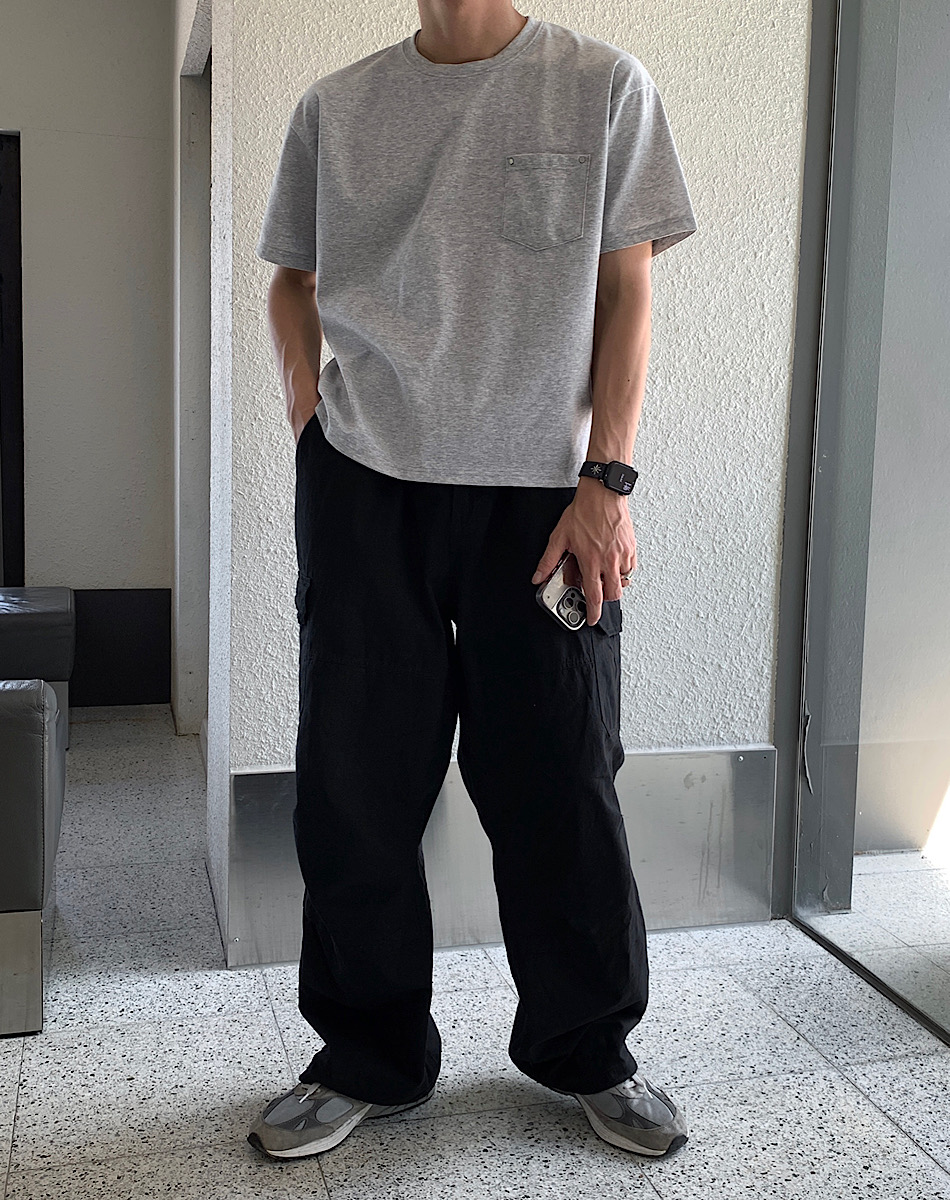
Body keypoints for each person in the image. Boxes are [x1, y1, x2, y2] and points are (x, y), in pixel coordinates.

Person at [247, 0, 697, 1162]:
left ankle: (587, 1050)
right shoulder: (336, 107)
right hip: (364, 488)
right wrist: (309, 422)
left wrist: (608, 478)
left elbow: (627, 290)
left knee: (560, 776)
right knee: (353, 781)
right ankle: (366, 1054)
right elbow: (290, 280)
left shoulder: (599, 85)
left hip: (544, 497)